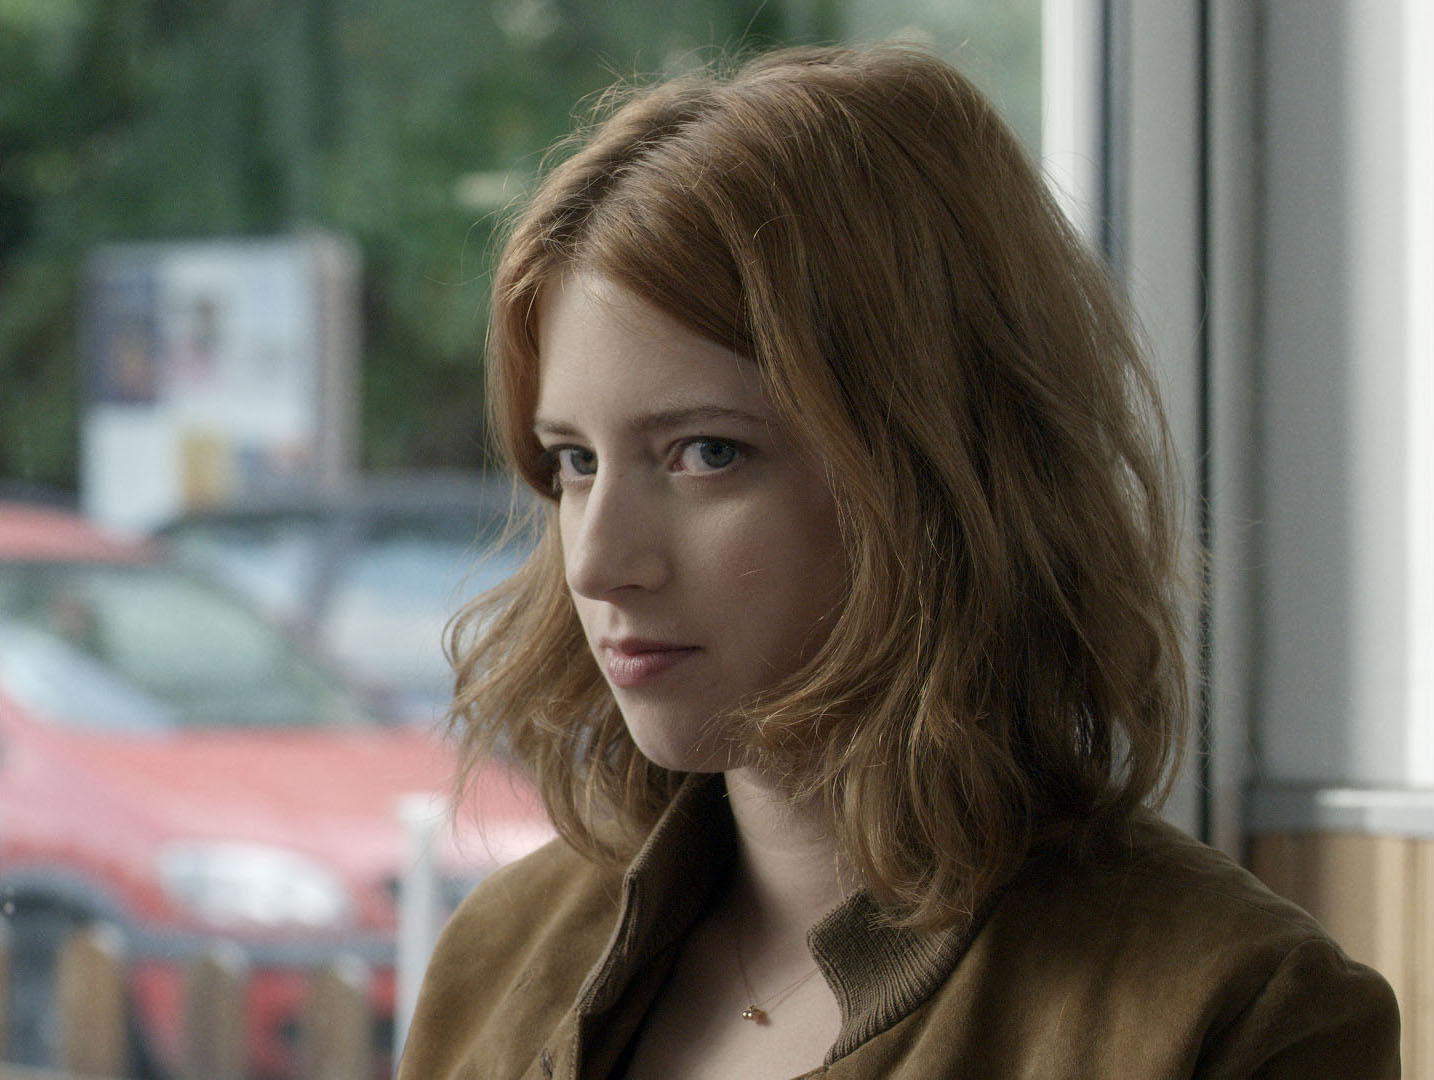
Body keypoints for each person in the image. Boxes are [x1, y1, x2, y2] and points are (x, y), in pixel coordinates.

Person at [399, 44, 1400, 1079]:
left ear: (936, 472)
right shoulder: (499, 957)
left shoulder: (1231, 1012)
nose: (599, 563)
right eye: (574, 461)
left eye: (707, 454)